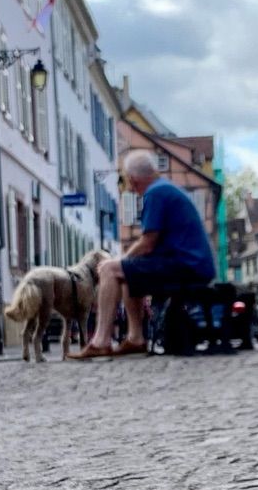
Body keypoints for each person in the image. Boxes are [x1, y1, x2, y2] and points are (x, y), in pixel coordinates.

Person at [73, 149, 216, 358]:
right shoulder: (165, 188)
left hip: (186, 266)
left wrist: (118, 261)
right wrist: (126, 263)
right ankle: (135, 338)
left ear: (133, 178)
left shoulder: (155, 193)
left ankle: (101, 340)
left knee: (111, 269)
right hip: (193, 264)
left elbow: (148, 241)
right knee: (129, 272)